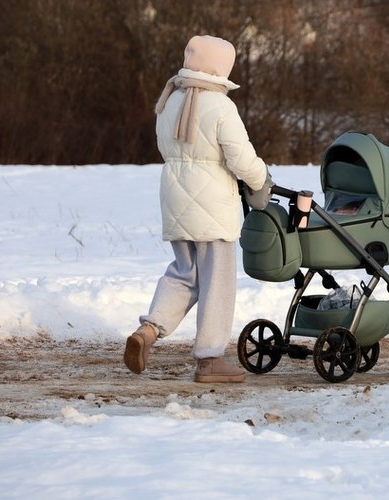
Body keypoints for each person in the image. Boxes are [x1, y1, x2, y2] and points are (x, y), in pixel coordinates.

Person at [124, 35, 273, 383]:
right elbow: (240, 156)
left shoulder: (171, 98)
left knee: (184, 273)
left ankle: (147, 331)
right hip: (213, 206)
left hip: (175, 199)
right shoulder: (220, 106)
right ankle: (209, 360)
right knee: (217, 282)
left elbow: (167, 146)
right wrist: (260, 179)